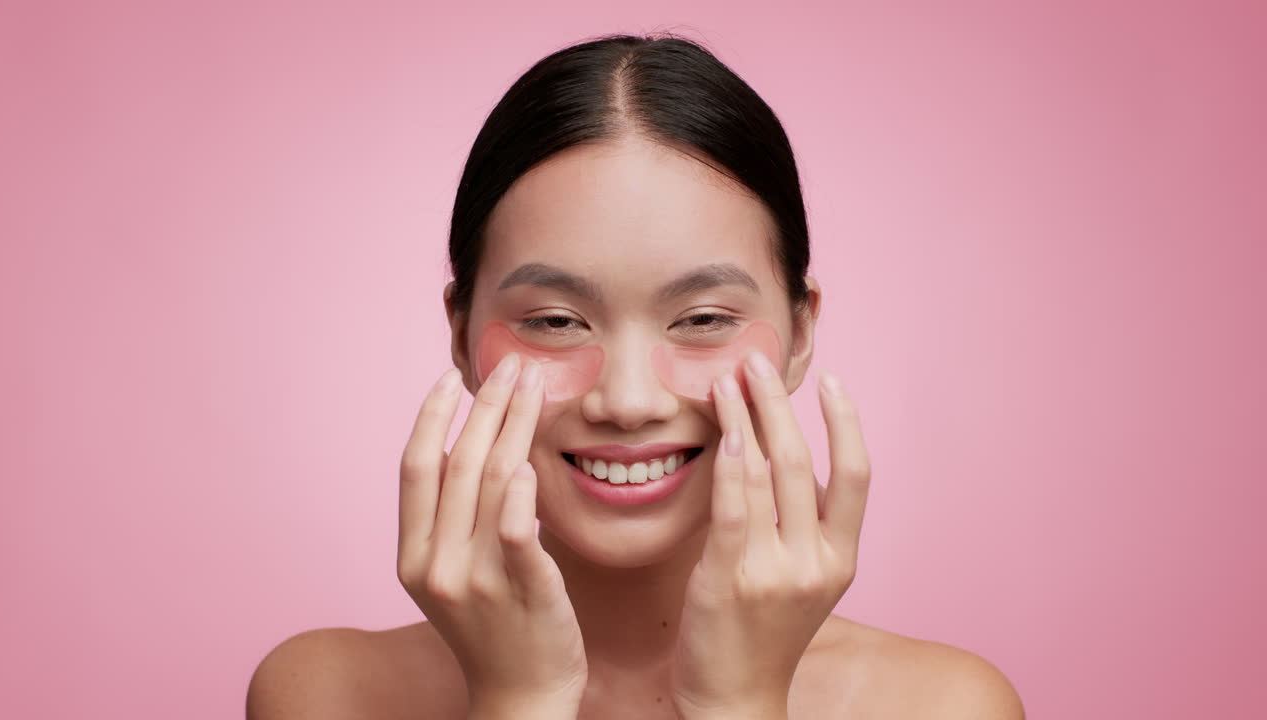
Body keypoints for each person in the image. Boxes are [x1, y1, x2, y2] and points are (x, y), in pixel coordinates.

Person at [247, 32, 1024, 720]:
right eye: (555, 321)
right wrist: (518, 704)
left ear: (799, 331)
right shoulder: (326, 696)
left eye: (703, 320)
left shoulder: (945, 706)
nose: (627, 401)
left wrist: (740, 706)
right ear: (460, 333)